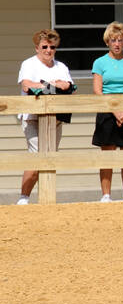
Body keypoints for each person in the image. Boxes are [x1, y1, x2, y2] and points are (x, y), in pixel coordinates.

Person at [16, 29, 75, 205]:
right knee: (37, 156)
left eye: (52, 47)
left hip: (55, 118)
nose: (48, 50)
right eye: (44, 47)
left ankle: (46, 198)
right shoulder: (29, 64)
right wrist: (51, 85)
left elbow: (67, 85)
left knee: (50, 157)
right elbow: (27, 85)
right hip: (32, 117)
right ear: (37, 48)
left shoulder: (61, 66)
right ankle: (24, 197)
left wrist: (44, 86)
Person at [91, 21, 123, 202]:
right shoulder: (100, 62)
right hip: (107, 110)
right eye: (113, 40)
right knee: (108, 152)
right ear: (108, 42)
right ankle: (106, 194)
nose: (117, 44)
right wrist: (115, 111)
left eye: (120, 40)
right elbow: (98, 90)